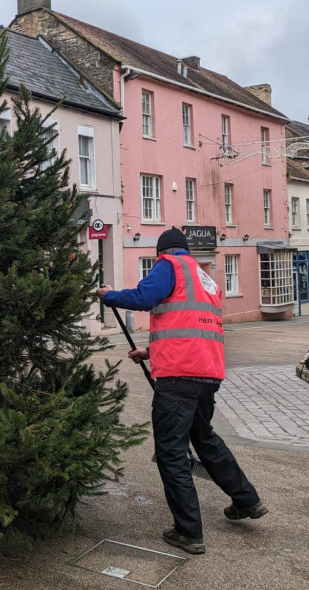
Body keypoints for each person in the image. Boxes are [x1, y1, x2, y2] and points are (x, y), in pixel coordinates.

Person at [97, 227, 266, 555]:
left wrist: (110, 296)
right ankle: (247, 500)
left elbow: (145, 298)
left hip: (178, 377)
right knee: (205, 439)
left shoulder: (169, 266)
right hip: (207, 374)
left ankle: (189, 532)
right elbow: (191, 326)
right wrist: (150, 352)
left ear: (163, 252)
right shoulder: (206, 281)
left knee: (171, 452)